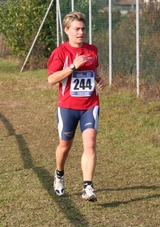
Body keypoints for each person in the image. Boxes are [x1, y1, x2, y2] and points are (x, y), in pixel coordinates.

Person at [47, 11, 105, 201]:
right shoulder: (60, 52)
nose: (81, 32)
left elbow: (93, 68)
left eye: (83, 29)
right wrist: (72, 67)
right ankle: (59, 174)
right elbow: (51, 79)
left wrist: (97, 78)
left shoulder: (92, 50)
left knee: (90, 144)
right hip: (68, 107)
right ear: (67, 30)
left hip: (90, 104)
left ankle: (87, 187)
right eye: (76, 29)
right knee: (65, 146)